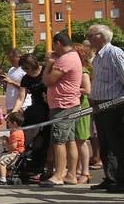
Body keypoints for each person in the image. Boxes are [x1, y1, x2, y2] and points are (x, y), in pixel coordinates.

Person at [40, 32, 82, 187]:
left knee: (58, 141)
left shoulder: (64, 60)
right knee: (70, 140)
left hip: (62, 106)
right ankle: (70, 174)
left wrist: (49, 64)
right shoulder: (74, 56)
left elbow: (48, 81)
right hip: (69, 103)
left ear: (58, 44)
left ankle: (58, 175)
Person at [85, 24, 124, 192]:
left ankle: (120, 180)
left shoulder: (114, 53)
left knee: (117, 143)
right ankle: (110, 177)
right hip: (100, 105)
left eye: (91, 35)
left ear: (100, 36)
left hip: (114, 104)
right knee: (105, 143)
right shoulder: (98, 57)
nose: (88, 38)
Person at [72, 43, 93, 185]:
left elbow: (87, 90)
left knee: (82, 140)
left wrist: (73, 89)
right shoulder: (76, 70)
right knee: (76, 140)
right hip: (74, 106)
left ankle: (85, 172)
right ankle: (78, 170)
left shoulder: (83, 71)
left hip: (82, 107)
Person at [0, 111, 26, 185]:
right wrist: (7, 139)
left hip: (15, 154)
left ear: (14, 123)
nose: (7, 124)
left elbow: (13, 147)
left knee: (2, 162)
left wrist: (5, 143)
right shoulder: (15, 132)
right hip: (13, 152)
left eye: (9, 122)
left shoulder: (16, 134)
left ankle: (3, 179)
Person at [2, 49, 30, 114]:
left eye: (12, 60)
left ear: (19, 57)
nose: (10, 62)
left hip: (22, 106)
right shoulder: (11, 69)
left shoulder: (25, 70)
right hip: (10, 105)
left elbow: (27, 88)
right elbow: (8, 87)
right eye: (9, 60)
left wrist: (11, 82)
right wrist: (5, 82)